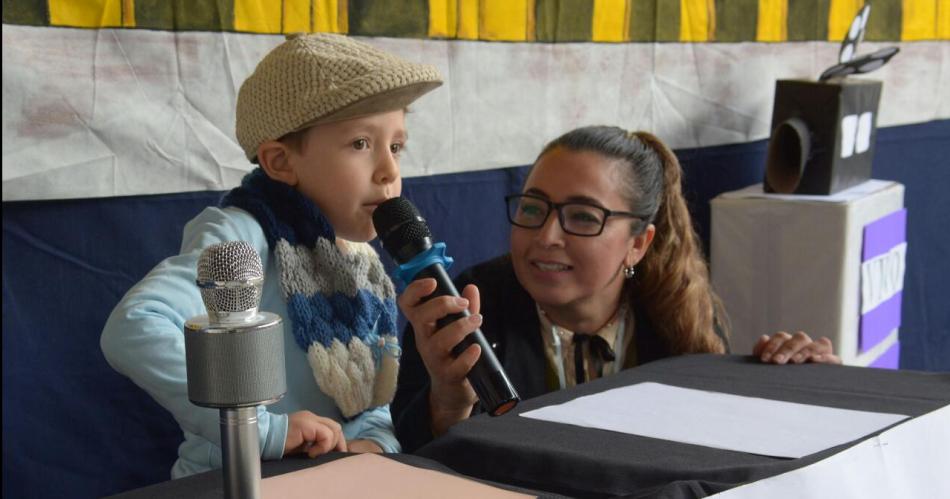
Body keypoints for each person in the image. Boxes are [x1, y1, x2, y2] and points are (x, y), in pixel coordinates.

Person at [101, 33, 442, 477]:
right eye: (361, 143)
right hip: (233, 480)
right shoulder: (240, 236)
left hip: (332, 479)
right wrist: (260, 430)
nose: (390, 171)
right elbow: (134, 326)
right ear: (281, 162)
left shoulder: (360, 258)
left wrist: (375, 443)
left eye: (396, 146)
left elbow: (369, 400)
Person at [392, 126, 841, 452]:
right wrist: (446, 401)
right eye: (533, 209)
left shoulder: (673, 317)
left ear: (638, 244)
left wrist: (792, 382)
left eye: (584, 217)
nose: (547, 236)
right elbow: (407, 460)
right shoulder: (462, 309)